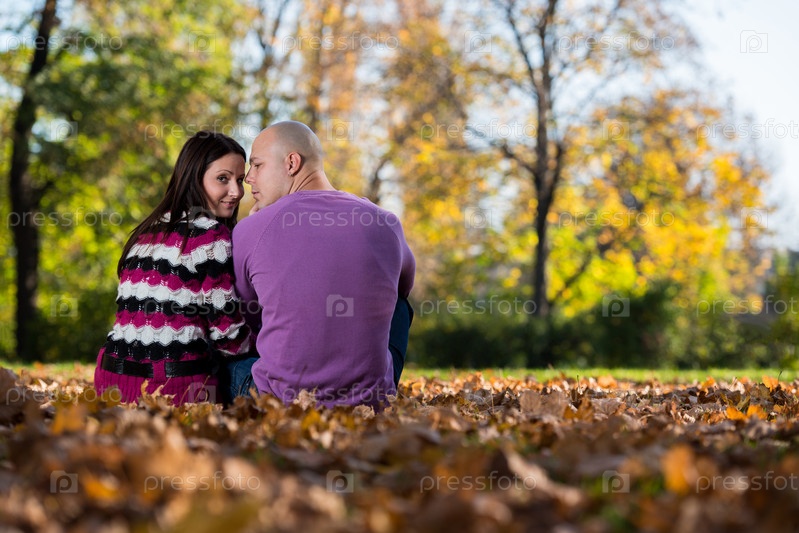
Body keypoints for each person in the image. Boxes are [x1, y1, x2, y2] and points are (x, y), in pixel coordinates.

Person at [228, 121, 415, 409]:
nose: (249, 178)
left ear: (291, 163)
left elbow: (244, 315)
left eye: (257, 165)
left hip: (279, 404)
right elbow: (403, 288)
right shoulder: (385, 221)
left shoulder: (251, 229)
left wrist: (256, 227)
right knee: (400, 305)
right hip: (369, 404)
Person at [93, 131, 253, 405]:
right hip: (173, 388)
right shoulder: (210, 235)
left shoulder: (147, 231)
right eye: (223, 179)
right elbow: (227, 336)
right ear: (194, 177)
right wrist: (261, 343)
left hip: (111, 381)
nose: (236, 192)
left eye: (240, 180)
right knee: (255, 365)